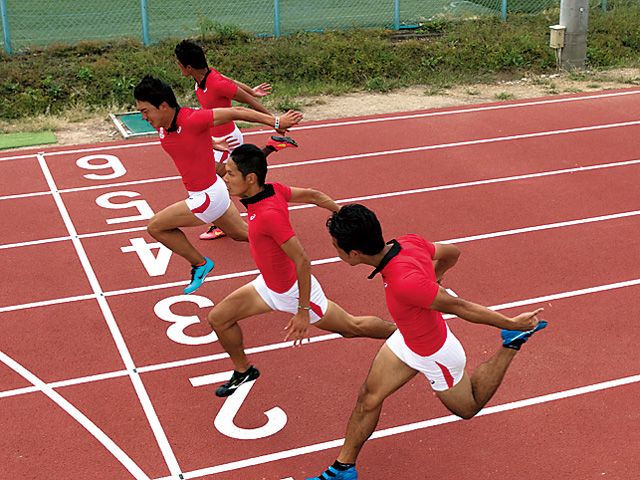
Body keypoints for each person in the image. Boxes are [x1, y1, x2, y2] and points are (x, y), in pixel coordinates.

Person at [306, 204, 548, 480]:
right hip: (406, 340)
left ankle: (511, 343)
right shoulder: (407, 242)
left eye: (336, 247)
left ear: (354, 253)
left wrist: (511, 323)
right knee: (368, 398)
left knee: (468, 408)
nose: (334, 251)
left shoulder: (405, 282)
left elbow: (461, 307)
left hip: (435, 353)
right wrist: (435, 276)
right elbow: (452, 252)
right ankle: (342, 470)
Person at [207, 145, 397, 397]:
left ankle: (406, 334)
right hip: (269, 285)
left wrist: (303, 310)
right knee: (218, 319)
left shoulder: (269, 215)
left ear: (250, 179)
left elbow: (303, 261)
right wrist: (340, 213)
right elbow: (315, 195)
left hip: (294, 291)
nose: (224, 178)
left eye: (230, 174)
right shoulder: (272, 190)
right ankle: (244, 371)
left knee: (351, 327)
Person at [133, 75, 303, 295]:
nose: (143, 117)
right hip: (214, 189)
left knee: (155, 227)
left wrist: (276, 122)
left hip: (206, 197)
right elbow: (188, 140)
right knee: (243, 234)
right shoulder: (164, 125)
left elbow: (237, 112)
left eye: (145, 111)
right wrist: (212, 142)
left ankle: (200, 264)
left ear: (164, 106)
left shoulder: (192, 119)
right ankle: (291, 249)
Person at [174, 39, 299, 240]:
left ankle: (235, 222)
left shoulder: (216, 83)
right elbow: (229, 79)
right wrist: (251, 88)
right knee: (231, 177)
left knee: (225, 180)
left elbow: (247, 102)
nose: (178, 67)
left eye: (179, 64)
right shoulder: (203, 78)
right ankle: (270, 147)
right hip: (216, 138)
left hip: (227, 139)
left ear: (188, 67)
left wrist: (275, 121)